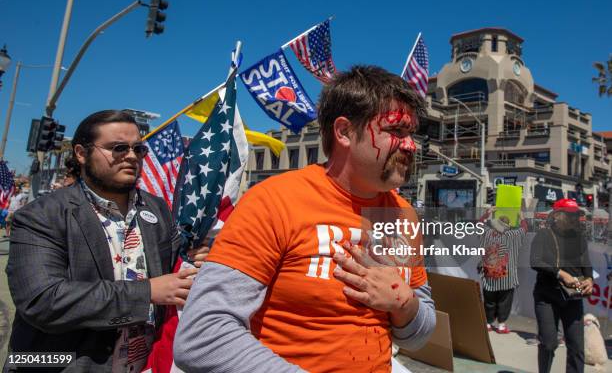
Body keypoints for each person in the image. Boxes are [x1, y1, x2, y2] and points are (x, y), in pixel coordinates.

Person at [174, 66, 436, 372]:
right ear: (344, 132)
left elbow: (420, 336)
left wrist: (403, 303)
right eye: (395, 132)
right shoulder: (274, 201)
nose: (410, 145)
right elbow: (202, 337)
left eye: (411, 134)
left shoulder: (404, 215)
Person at [5, 110, 207, 372]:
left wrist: (193, 258)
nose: (132, 156)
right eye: (118, 148)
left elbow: (173, 269)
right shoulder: (41, 215)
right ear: (81, 153)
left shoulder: (157, 209)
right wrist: (147, 292)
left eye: (138, 148)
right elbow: (43, 301)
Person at [530, 198, 593, 373]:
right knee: (549, 343)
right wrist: (560, 273)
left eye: (576, 215)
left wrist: (589, 279)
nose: (575, 219)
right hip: (547, 296)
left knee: (577, 346)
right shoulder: (544, 235)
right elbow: (535, 261)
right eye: (570, 215)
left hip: (572, 297)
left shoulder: (579, 238)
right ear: (557, 215)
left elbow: (586, 264)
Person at [478, 207, 527, 333]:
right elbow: (524, 229)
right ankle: (501, 325)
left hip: (489, 274)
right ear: (508, 226)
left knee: (489, 300)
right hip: (507, 276)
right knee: (504, 301)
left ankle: (488, 323)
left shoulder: (487, 233)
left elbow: (479, 225)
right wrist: (522, 218)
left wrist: (487, 214)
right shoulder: (512, 235)